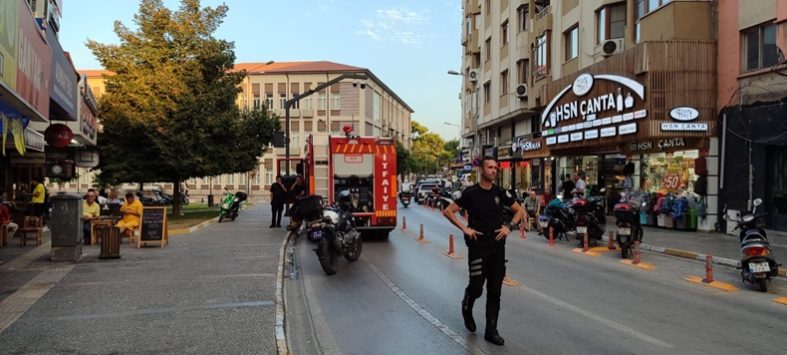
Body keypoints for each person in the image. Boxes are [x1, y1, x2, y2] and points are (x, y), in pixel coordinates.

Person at [442, 156, 524, 346]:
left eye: (496, 168)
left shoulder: (500, 192)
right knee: (477, 288)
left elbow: (519, 211)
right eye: (490, 167)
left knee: (495, 291)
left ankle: (491, 330)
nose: (494, 170)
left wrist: (509, 227)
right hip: (478, 248)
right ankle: (467, 303)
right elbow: (448, 211)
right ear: (481, 170)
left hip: (497, 249)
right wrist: (465, 228)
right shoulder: (471, 193)